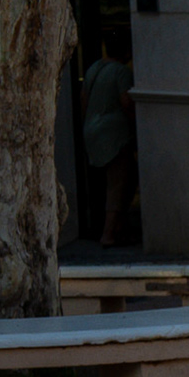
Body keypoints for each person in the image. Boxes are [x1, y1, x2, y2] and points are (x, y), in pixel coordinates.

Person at [81, 30, 136, 247]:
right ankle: (109, 233)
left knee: (119, 181)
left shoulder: (94, 68)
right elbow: (126, 102)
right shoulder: (121, 72)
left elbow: (83, 100)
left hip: (92, 132)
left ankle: (118, 229)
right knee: (119, 183)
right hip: (114, 136)